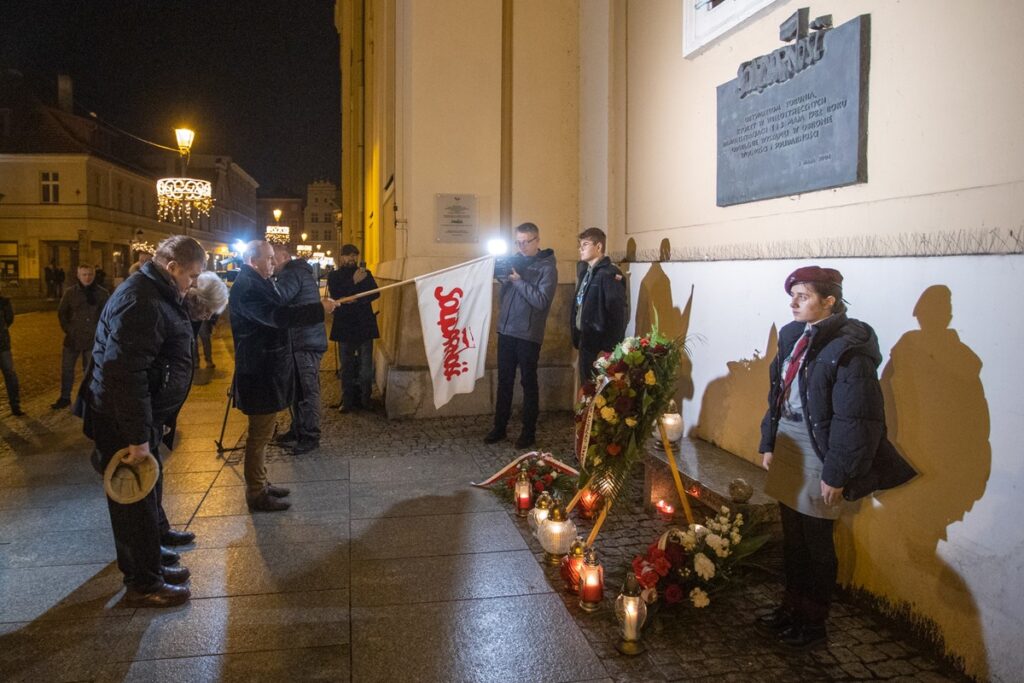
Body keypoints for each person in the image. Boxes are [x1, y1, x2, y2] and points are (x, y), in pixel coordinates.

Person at [757, 266, 915, 649]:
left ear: (829, 301)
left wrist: (837, 471)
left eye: (803, 296)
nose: (793, 303)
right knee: (792, 535)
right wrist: (768, 440)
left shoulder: (849, 346)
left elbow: (856, 417)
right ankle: (790, 609)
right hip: (790, 440)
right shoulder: (795, 334)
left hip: (819, 450)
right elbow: (778, 391)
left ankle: (813, 623)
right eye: (792, 295)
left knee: (816, 541)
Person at [80, 235, 207, 608]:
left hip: (141, 414)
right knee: (133, 503)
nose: (194, 283)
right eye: (192, 276)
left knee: (146, 495)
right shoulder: (142, 300)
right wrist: (137, 437)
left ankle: (152, 562)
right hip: (122, 420)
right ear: (172, 268)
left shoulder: (158, 292)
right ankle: (143, 582)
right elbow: (125, 373)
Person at [229, 240, 338, 512]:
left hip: (266, 368)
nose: (273, 263)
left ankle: (261, 483)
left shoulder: (259, 281)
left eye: (273, 258)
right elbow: (277, 315)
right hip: (259, 370)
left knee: (263, 433)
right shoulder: (249, 287)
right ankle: (256, 492)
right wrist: (319, 308)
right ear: (253, 260)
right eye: (268, 258)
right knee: (259, 435)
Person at [483, 222, 557, 448]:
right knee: (504, 382)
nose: (522, 247)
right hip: (506, 330)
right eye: (518, 242)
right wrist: (503, 276)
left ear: (537, 241)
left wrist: (518, 281)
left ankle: (528, 432)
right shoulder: (513, 261)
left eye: (526, 242)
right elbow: (506, 292)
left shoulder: (547, 268)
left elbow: (541, 300)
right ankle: (499, 427)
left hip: (527, 334)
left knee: (528, 382)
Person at [273, 243, 328, 452]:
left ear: (285, 256)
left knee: (306, 391)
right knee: (298, 390)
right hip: (304, 339)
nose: (271, 263)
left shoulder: (291, 273)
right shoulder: (298, 271)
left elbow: (279, 298)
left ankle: (310, 435)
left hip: (304, 341)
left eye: (273, 258)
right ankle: (297, 429)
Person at [570, 227, 628, 384]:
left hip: (599, 344)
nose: (580, 249)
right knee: (586, 387)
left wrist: (609, 347)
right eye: (580, 245)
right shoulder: (587, 273)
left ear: (599, 246)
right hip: (585, 339)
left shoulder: (608, 274)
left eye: (585, 244)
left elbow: (616, 312)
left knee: (596, 389)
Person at [327, 244, 379, 414]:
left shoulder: (366, 274)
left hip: (364, 324)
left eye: (354, 255)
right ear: (341, 257)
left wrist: (354, 299)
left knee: (366, 368)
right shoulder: (334, 276)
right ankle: (347, 401)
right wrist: (354, 283)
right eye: (348, 255)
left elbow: (375, 293)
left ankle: (366, 399)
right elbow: (336, 295)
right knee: (346, 367)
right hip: (345, 325)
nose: (351, 259)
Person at [52, 264, 109, 410]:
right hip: (73, 339)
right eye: (84, 274)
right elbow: (62, 313)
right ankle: (65, 397)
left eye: (90, 274)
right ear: (78, 276)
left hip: (93, 339)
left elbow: (107, 315)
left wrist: (100, 333)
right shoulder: (70, 292)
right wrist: (69, 329)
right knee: (67, 369)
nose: (87, 277)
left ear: (94, 275)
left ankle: (88, 399)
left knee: (90, 370)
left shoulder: (102, 293)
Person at [0, 289, 23, 416]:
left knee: (10, 374)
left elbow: (9, 319)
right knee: (10, 374)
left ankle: (15, 404)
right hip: (3, 342)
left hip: (2, 344)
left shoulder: (4, 302)